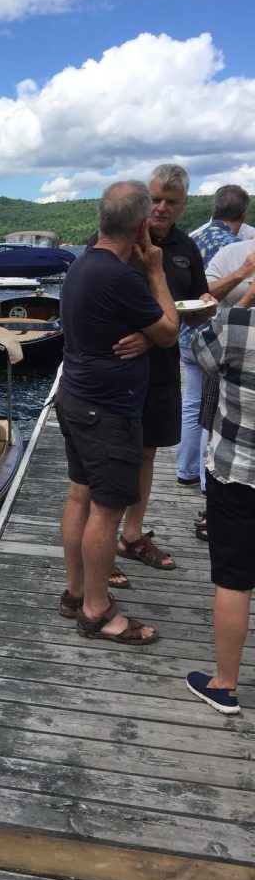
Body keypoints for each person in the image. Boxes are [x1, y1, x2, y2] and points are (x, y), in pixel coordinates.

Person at [56, 181, 178, 644]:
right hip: (108, 411)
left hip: (76, 398)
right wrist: (157, 270)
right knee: (106, 514)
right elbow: (168, 331)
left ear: (101, 219)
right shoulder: (122, 277)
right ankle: (96, 610)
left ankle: (75, 594)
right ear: (143, 225)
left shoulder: (81, 265)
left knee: (79, 498)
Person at [112, 164, 212, 572]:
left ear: (184, 205)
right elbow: (97, 300)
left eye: (171, 202)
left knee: (147, 451)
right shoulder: (119, 240)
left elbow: (194, 305)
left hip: (162, 364)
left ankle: (131, 535)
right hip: (116, 363)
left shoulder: (187, 249)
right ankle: (99, 546)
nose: (160, 208)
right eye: (154, 199)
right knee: (111, 454)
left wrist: (205, 307)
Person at [186, 291, 255, 714]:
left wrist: (244, 296)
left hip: (237, 472)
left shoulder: (236, 324)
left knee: (234, 579)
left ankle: (225, 684)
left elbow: (199, 352)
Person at [176, 186, 250, 490]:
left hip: (186, 334)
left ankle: (186, 470)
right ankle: (209, 480)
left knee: (192, 402)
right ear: (243, 213)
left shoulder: (191, 240)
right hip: (224, 340)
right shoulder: (239, 249)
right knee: (218, 409)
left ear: (213, 208)